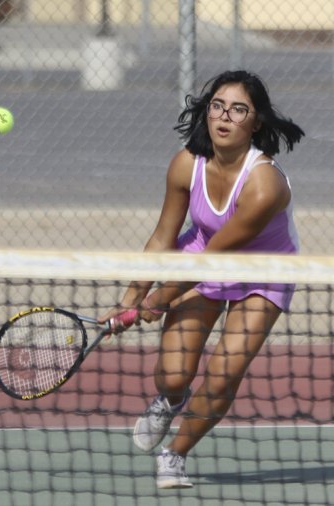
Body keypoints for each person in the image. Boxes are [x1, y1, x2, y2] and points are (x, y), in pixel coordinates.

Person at [99, 70, 304, 489]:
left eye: (239, 109)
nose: (225, 116)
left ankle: (174, 454)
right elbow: (162, 237)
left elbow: (216, 259)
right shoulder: (185, 165)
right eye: (217, 106)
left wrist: (157, 300)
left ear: (256, 121)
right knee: (175, 375)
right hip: (201, 253)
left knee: (225, 371)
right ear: (206, 112)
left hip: (262, 272)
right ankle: (171, 399)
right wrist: (131, 296)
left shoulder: (265, 184)